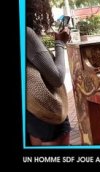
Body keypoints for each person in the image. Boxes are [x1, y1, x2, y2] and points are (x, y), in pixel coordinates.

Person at [26, 0, 71, 145]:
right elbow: (57, 78)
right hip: (46, 111)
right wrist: (60, 43)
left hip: (31, 110)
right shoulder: (26, 33)